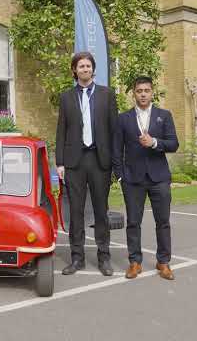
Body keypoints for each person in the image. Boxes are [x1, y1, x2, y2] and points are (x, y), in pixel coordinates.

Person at [55, 51, 118, 276]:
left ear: (93, 69)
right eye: (81, 66)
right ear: (74, 70)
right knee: (76, 212)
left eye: (88, 66)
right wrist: (60, 162)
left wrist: (115, 162)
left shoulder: (106, 95)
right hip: (75, 161)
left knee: (101, 211)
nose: (85, 69)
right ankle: (77, 258)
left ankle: (104, 258)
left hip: (100, 160)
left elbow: (114, 131)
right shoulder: (66, 97)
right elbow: (61, 130)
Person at [112, 76, 179, 280]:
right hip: (132, 179)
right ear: (134, 93)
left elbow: (173, 144)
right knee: (133, 222)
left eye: (146, 90)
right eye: (139, 90)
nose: (143, 94)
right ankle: (135, 262)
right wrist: (120, 176)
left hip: (159, 178)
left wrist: (154, 142)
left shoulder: (164, 116)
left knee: (163, 222)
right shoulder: (123, 119)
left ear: (152, 92)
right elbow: (116, 150)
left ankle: (163, 262)